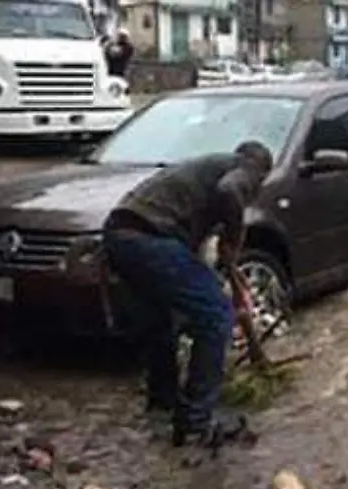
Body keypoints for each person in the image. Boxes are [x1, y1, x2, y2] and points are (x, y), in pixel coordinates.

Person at [103, 142, 274, 449]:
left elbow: (192, 247)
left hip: (119, 236)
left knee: (160, 322)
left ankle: (163, 404)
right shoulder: (244, 169)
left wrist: (223, 263)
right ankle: (197, 422)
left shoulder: (201, 170)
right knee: (216, 315)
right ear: (259, 169)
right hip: (150, 239)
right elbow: (229, 192)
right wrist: (234, 240)